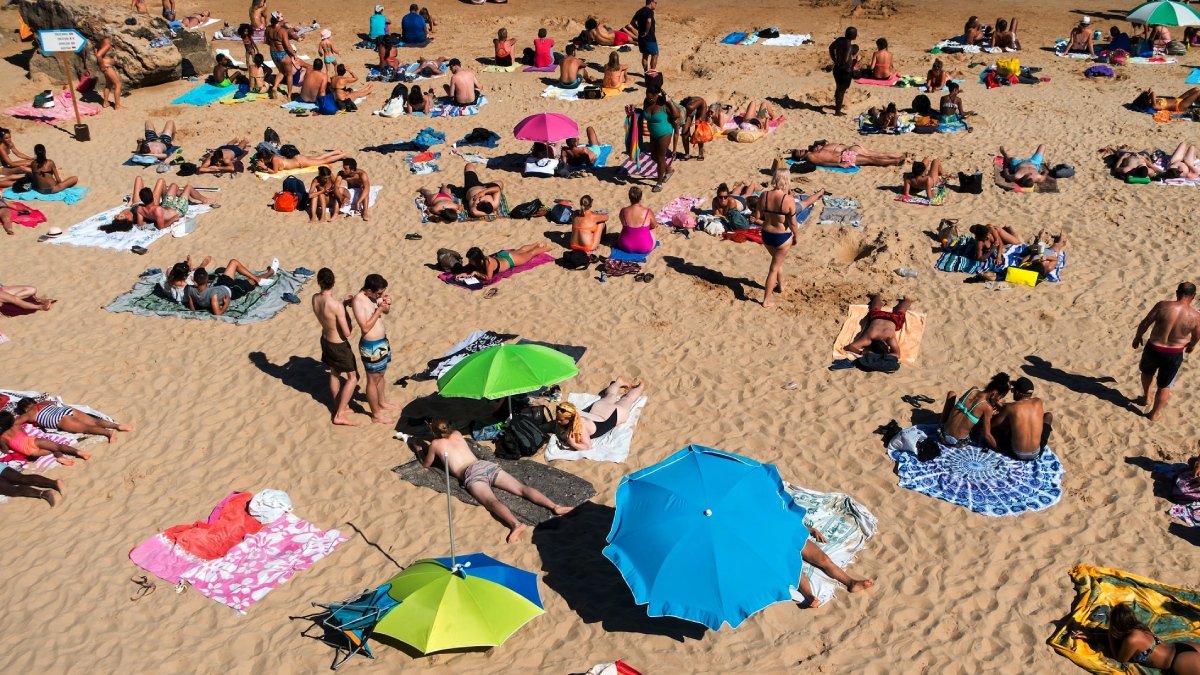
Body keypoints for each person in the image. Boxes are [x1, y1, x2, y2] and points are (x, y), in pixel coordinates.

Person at [412, 419, 574, 543]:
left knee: (491, 501)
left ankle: (516, 525)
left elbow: (427, 464)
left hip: (471, 474)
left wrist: (420, 451)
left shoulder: (435, 444)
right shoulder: (457, 434)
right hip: (484, 465)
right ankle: (555, 506)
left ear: (433, 432)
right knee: (521, 488)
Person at [1133, 282, 1200, 421]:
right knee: (1164, 385)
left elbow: (1145, 323)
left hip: (1153, 348)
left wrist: (1137, 337)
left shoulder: (1162, 306)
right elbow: (1197, 335)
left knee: (1147, 372)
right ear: (1193, 296)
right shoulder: (1195, 316)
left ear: (1177, 292)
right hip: (1173, 353)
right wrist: (1192, 345)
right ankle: (1154, 414)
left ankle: (1146, 397)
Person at [311, 268, 359, 427]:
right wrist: (344, 308)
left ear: (319, 282)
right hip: (338, 345)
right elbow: (347, 332)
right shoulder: (336, 305)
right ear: (334, 282)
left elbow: (327, 317)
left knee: (334, 373)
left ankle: (341, 405)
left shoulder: (315, 298)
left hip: (325, 339)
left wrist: (342, 305)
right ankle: (339, 414)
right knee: (353, 378)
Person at [351, 274, 397, 424]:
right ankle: (376, 414)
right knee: (372, 380)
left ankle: (382, 402)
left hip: (381, 342)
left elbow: (386, 311)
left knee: (381, 375)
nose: (380, 295)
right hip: (370, 346)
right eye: (378, 293)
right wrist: (378, 310)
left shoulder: (373, 297)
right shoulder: (358, 301)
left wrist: (386, 304)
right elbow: (364, 327)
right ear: (369, 290)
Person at [1105, 603, 1200, 674]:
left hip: (1177, 661)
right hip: (1180, 647)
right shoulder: (1140, 627)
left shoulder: (1132, 640)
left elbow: (1120, 659)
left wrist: (1110, 633)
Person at [795, 525, 875, 608]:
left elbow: (789, 519)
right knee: (795, 567)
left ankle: (851, 582)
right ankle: (810, 596)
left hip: (792, 534)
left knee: (824, 560)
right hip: (780, 544)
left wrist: (810, 529)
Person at [554, 378, 645, 450]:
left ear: (569, 419)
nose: (557, 421)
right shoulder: (573, 411)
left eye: (560, 419)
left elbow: (587, 446)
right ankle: (618, 383)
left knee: (628, 399)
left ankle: (640, 387)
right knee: (611, 395)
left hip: (615, 414)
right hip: (600, 409)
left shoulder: (580, 427)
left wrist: (573, 443)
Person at [939, 372, 1011, 447]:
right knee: (982, 423)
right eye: (1000, 397)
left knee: (952, 394)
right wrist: (998, 448)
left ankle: (941, 422)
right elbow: (986, 434)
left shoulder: (972, 390)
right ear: (995, 393)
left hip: (942, 434)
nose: (998, 399)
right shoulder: (987, 408)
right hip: (957, 442)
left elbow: (972, 407)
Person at [14, 398, 132, 444]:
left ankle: (109, 433)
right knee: (94, 421)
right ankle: (118, 426)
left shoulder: (29, 414)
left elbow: (16, 422)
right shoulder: (44, 403)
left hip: (59, 420)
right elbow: (54, 402)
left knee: (86, 428)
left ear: (24, 409)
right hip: (67, 411)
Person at [990, 377, 1052, 461]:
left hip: (1016, 453)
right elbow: (1021, 407)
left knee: (1004, 422)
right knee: (1048, 416)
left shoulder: (1010, 408)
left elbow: (994, 424)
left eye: (1013, 390)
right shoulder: (1038, 402)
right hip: (1036, 452)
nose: (1013, 392)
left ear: (1017, 392)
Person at [185, 260, 278, 315]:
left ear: (195, 281)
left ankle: (257, 279)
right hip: (232, 290)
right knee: (250, 282)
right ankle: (271, 272)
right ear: (206, 281)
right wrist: (226, 304)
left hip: (221, 286)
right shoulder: (212, 295)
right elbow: (218, 313)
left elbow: (192, 308)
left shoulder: (191, 290)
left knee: (233, 262)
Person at [0, 411, 89, 467]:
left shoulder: (2, 438)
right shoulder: (17, 427)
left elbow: (5, 451)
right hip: (33, 441)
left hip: (31, 453)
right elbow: (24, 435)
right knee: (57, 446)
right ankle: (78, 452)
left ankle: (60, 457)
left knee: (52, 449)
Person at [842, 295, 914, 361]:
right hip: (878, 317)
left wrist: (864, 353)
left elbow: (897, 355)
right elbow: (849, 347)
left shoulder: (889, 338)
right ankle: (877, 296)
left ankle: (907, 301)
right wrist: (862, 352)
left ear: (886, 344)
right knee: (875, 308)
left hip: (893, 320)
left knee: (901, 311)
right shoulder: (869, 338)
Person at [130, 176, 216, 230]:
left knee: (173, 185)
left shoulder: (140, 209)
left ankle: (183, 195)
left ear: (142, 199)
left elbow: (140, 224)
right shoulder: (157, 210)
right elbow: (161, 227)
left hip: (166, 206)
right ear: (153, 197)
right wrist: (173, 219)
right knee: (188, 187)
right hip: (178, 210)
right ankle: (204, 200)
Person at [640, 91, 678, 192]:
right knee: (654, 157)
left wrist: (669, 101)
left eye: (651, 98)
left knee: (661, 158)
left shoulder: (663, 102)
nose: (649, 100)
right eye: (647, 97)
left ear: (657, 94)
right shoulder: (646, 102)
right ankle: (669, 170)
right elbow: (643, 113)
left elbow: (676, 115)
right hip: (653, 133)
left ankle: (659, 183)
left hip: (665, 132)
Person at [460, 244, 552, 282]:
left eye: (470, 260)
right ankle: (536, 243)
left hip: (510, 260)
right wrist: (464, 274)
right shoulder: (481, 260)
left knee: (531, 253)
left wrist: (476, 273)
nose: (469, 262)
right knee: (521, 250)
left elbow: (488, 278)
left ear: (476, 259)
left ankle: (546, 247)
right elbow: (471, 269)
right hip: (503, 256)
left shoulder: (488, 262)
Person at [791, 140, 907, 168]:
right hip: (843, 159)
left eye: (800, 149)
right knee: (871, 159)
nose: (801, 150)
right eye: (799, 152)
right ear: (800, 157)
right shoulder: (811, 157)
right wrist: (840, 164)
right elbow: (824, 162)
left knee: (871, 157)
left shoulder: (812, 153)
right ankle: (895, 161)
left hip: (844, 155)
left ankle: (896, 159)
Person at [616, 186, 657, 255]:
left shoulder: (623, 211)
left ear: (629, 197)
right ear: (641, 197)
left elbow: (622, 223)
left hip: (624, 245)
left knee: (625, 228)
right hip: (645, 247)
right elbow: (654, 225)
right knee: (654, 228)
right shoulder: (647, 211)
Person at [265, 15, 298, 101]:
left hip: (273, 53)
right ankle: (289, 95)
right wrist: (293, 54)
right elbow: (287, 45)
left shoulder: (268, 28)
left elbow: (266, 41)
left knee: (281, 71)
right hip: (282, 53)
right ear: (279, 20)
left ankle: (275, 87)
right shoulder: (282, 31)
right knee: (289, 74)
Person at [829, 27, 857, 116]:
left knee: (839, 88)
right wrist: (852, 65)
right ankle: (837, 111)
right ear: (853, 35)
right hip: (844, 70)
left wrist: (835, 59)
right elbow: (845, 59)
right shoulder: (848, 45)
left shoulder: (840, 40)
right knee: (841, 90)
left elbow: (830, 48)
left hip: (837, 69)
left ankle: (837, 107)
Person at [261, 148, 349, 173]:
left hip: (300, 162)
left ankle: (342, 155)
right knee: (319, 157)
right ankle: (336, 151)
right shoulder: (274, 157)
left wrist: (264, 167)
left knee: (324, 161)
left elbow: (275, 172)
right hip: (298, 159)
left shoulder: (275, 160)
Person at [96, 31, 121, 110]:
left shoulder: (100, 43)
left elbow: (96, 51)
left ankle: (105, 102)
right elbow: (99, 55)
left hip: (105, 67)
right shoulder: (107, 44)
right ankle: (117, 106)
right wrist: (102, 65)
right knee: (118, 84)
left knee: (109, 84)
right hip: (107, 67)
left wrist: (101, 65)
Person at [678, 96, 708, 160]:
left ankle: (701, 153)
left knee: (699, 132)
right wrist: (687, 130)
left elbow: (702, 101)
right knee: (684, 133)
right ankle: (687, 154)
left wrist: (701, 118)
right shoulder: (681, 109)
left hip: (701, 107)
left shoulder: (691, 107)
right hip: (690, 110)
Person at [1132, 88, 1200, 114]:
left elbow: (1152, 94)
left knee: (1195, 89)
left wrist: (1148, 94)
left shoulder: (1154, 101)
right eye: (1147, 99)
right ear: (1146, 103)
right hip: (1179, 105)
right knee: (1198, 92)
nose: (1149, 99)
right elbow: (1153, 93)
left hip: (1178, 99)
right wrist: (1150, 95)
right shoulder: (1154, 105)